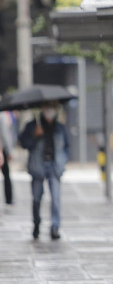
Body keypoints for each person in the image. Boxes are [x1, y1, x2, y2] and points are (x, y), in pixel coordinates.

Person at [19, 101, 69, 239]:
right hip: (38, 166)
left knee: (56, 198)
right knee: (36, 197)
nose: (49, 110)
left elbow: (66, 147)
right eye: (47, 107)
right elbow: (23, 143)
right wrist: (34, 136)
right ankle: (36, 223)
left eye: (52, 107)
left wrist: (63, 162)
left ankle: (55, 227)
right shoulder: (33, 125)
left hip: (55, 166)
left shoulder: (60, 128)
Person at [0, 109, 13, 204]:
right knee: (6, 175)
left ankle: (9, 199)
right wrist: (9, 151)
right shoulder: (2, 115)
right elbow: (5, 134)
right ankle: (9, 199)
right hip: (2, 149)